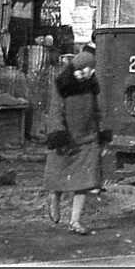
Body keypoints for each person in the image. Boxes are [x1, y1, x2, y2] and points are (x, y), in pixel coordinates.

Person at [44, 42, 109, 235]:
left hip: (87, 140)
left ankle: (75, 221)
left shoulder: (92, 86)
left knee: (84, 183)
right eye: (82, 70)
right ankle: (54, 198)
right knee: (58, 178)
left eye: (89, 70)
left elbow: (98, 112)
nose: (85, 74)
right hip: (66, 141)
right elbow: (56, 112)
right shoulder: (62, 85)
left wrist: (102, 133)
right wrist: (58, 134)